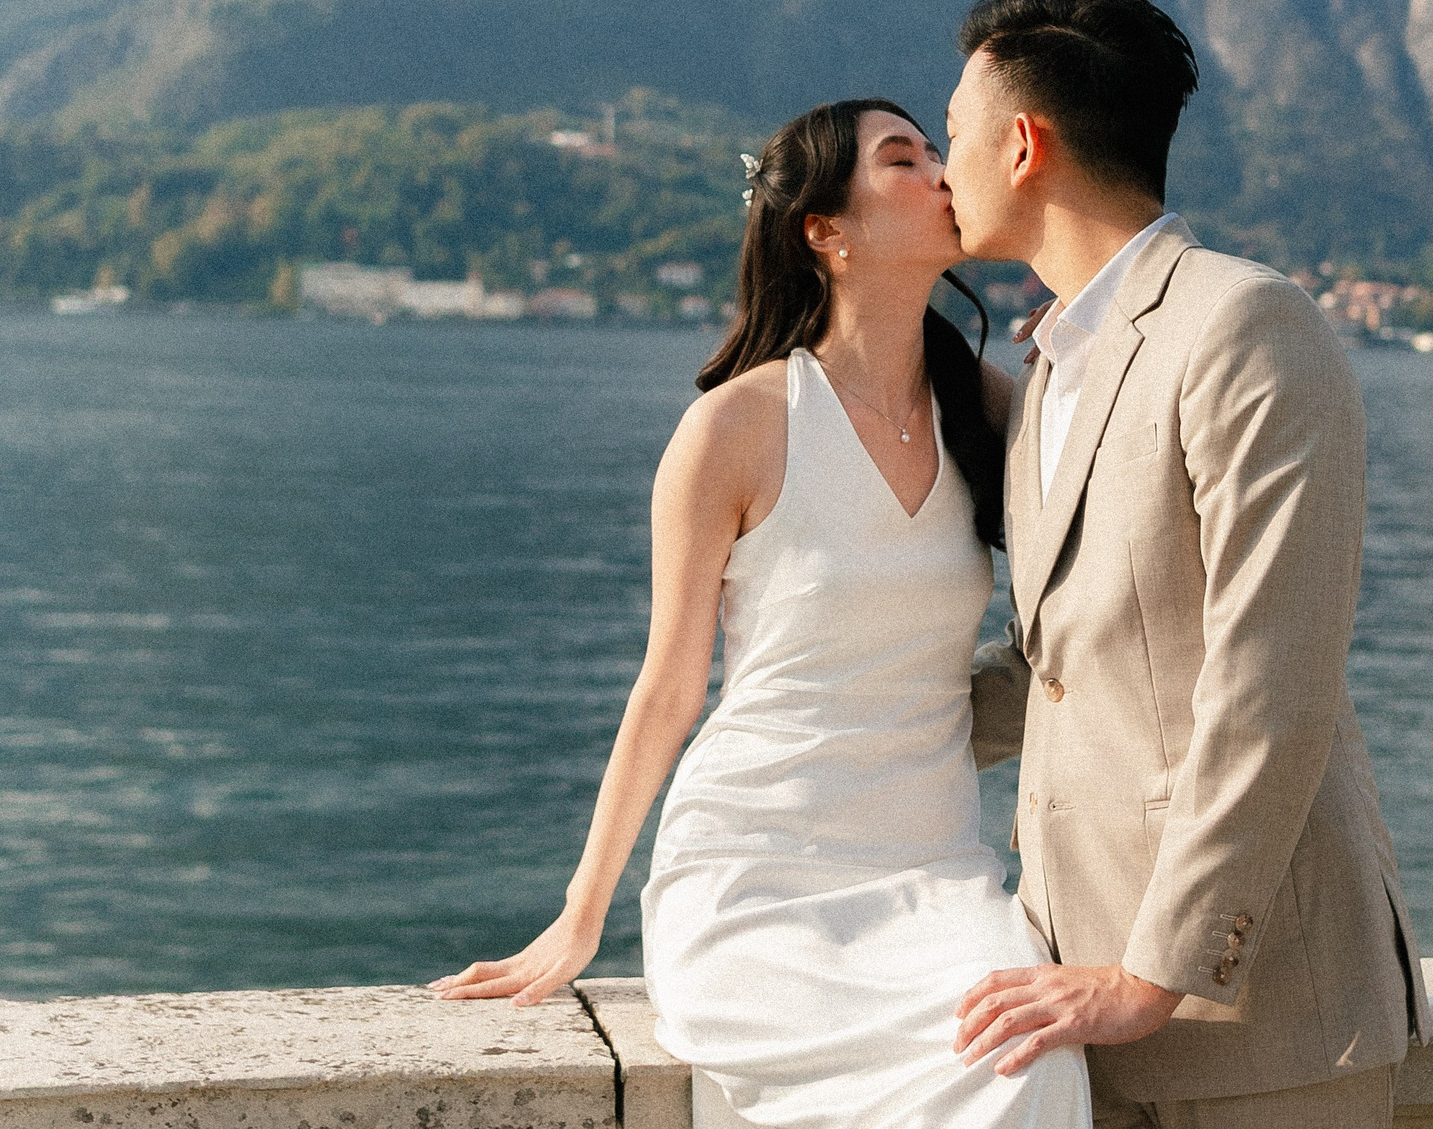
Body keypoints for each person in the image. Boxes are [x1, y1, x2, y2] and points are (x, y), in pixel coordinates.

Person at [431, 98, 1093, 1129]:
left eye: (936, 151)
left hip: (936, 877)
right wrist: (579, 914)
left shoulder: (989, 407)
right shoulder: (734, 428)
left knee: (1029, 1069)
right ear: (825, 231)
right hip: (754, 874)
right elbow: (667, 689)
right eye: (902, 159)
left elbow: (1106, 549)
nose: (941, 172)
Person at [939, 0, 1430, 1129]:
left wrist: (1150, 975)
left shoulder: (1244, 326)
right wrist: (835, 738)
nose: (942, 166)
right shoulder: (1053, 365)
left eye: (953, 133)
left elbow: (1273, 682)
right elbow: (1056, 666)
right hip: (1075, 1004)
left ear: (1022, 146)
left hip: (1264, 1025)